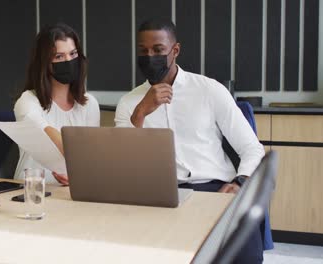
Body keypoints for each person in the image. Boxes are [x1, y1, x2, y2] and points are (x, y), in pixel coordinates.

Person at [114, 18, 265, 263]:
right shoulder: (129, 103)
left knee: (241, 250)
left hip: (215, 190)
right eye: (144, 51)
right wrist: (140, 112)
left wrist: (240, 182)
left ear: (175, 50)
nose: (150, 56)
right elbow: (123, 165)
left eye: (158, 50)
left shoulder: (209, 90)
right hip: (160, 198)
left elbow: (251, 148)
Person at [14, 23, 100, 185]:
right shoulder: (27, 101)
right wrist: (79, 167)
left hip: (71, 194)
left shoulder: (90, 104)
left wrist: (80, 177)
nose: (68, 61)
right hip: (31, 191)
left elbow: (91, 158)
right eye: (59, 57)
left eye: (73, 54)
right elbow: (46, 134)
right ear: (44, 63)